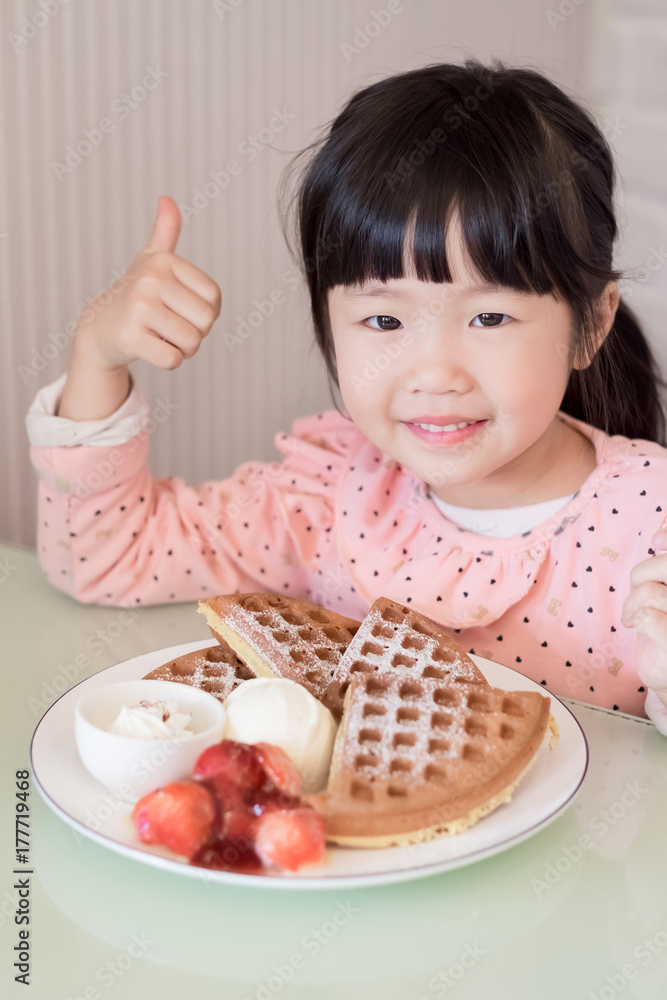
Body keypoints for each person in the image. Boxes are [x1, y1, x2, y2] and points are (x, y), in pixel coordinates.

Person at [26, 58, 667, 733]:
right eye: (384, 320)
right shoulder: (327, 497)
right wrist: (96, 355)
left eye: (489, 318)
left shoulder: (648, 519)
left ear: (589, 324)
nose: (434, 373)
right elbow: (106, 560)